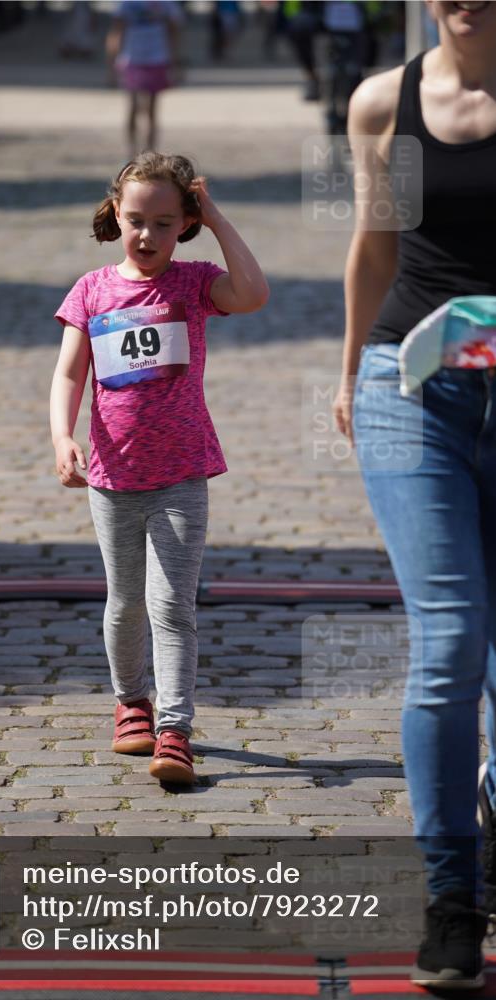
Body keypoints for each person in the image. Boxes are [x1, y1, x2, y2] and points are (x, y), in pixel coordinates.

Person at [333, 0, 496, 988]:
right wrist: (349, 371)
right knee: (449, 639)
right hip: (412, 384)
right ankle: (451, 900)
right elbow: (375, 242)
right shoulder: (380, 102)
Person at [50, 153, 268, 786]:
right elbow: (70, 372)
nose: (147, 236)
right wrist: (62, 436)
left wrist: (219, 217)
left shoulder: (196, 283)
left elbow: (252, 293)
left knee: (172, 606)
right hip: (113, 478)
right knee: (124, 605)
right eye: (137, 220)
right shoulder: (91, 290)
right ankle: (131, 702)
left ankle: (175, 729)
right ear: (117, 213)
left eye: (166, 223)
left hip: (181, 474)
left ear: (186, 224)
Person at [106, 1, 183, 157]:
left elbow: (174, 33)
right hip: (132, 59)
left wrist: (175, 63)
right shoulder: (127, 3)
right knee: (133, 107)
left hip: (158, 59)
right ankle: (132, 151)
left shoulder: (166, 4)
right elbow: (116, 32)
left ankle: (150, 153)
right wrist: (111, 66)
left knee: (152, 109)